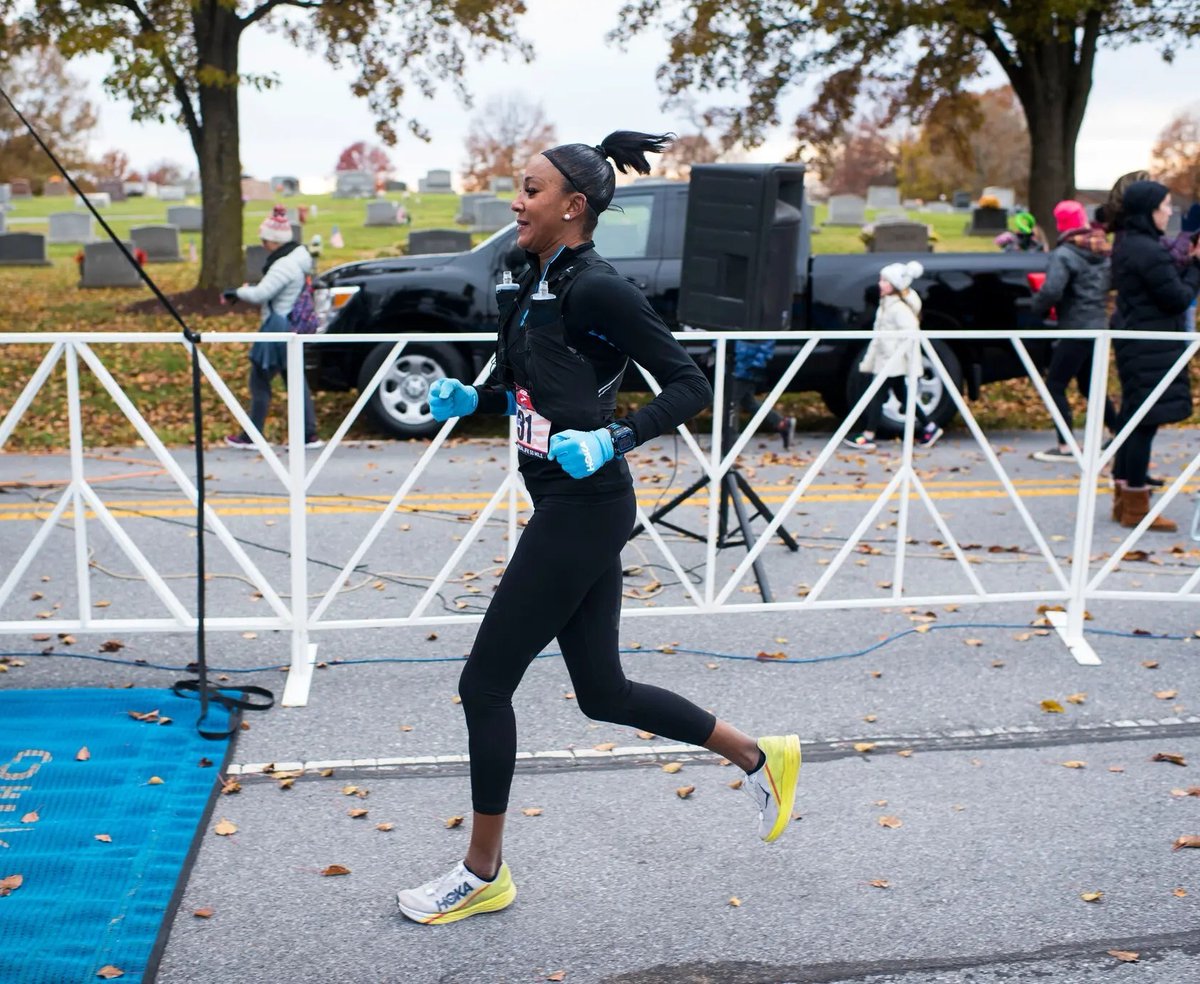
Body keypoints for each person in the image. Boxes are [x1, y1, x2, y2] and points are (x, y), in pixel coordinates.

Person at [394, 131, 801, 925]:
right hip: (560, 501)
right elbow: (520, 388)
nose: (516, 201)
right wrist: (468, 401)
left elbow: (687, 383)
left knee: (483, 685)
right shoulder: (522, 277)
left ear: (572, 206)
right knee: (603, 694)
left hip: (589, 505)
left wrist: (615, 437)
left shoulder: (599, 289)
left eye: (531, 190)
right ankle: (760, 754)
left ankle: (483, 874)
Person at [1109, 180, 1200, 531]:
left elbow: (1159, 283)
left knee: (1132, 418)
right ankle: (1136, 505)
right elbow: (1176, 298)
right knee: (1144, 424)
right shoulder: (1148, 250)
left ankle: (1123, 497)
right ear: (1149, 210)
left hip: (1136, 341)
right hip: (1151, 345)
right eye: (1164, 205)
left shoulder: (1131, 245)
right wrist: (1196, 268)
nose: (1168, 212)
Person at [222, 205, 322, 450]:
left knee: (259, 379)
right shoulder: (298, 260)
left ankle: (252, 436)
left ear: (274, 240)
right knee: (295, 380)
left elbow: (261, 293)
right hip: (290, 327)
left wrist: (237, 292)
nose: (263, 243)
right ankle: (308, 434)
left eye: (265, 239)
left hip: (278, 326)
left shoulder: (284, 265)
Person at [1029, 200, 1118, 462]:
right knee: (1090, 386)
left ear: (1062, 224)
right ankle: (1118, 432)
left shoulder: (1065, 254)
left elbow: (1053, 290)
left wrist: (1037, 308)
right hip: (1098, 328)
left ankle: (1065, 445)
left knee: (1055, 385)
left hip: (1075, 329)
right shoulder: (1102, 250)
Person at [844, 260, 943, 451]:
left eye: (885, 281)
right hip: (886, 360)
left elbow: (910, 334)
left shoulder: (898, 309)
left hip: (892, 362)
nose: (880, 284)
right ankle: (929, 427)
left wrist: (900, 359)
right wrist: (869, 361)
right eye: (881, 280)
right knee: (902, 396)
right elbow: (878, 337)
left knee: (876, 395)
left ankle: (868, 435)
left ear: (896, 286)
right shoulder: (886, 305)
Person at [732, 338, 797, 449]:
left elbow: (765, 340)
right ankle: (782, 423)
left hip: (745, 363)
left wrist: (757, 361)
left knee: (730, 403)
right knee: (747, 401)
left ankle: (728, 442)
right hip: (740, 361)